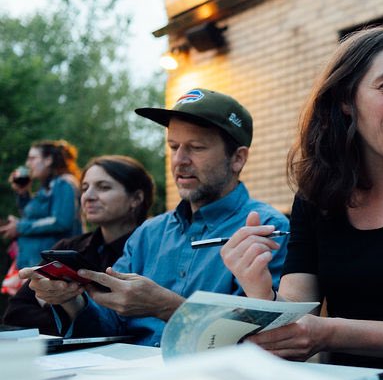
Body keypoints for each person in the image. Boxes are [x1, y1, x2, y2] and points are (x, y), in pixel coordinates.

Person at [222, 24, 383, 376]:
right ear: (346, 100)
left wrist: (328, 333)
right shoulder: (315, 196)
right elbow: (295, 321)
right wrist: (257, 286)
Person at [27, 89, 290, 346]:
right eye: (173, 146)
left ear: (238, 159)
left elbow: (263, 342)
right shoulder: (149, 233)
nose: (179, 160)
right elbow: (109, 323)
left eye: (196, 147)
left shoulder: (269, 229)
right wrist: (69, 300)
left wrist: (167, 306)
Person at [4, 156, 155, 335]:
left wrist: (57, 308)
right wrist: (66, 312)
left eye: (103, 187)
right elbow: (15, 313)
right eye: (85, 188)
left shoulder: (154, 251)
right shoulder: (68, 248)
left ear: (136, 198)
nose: (88, 196)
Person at [1, 140, 83, 270]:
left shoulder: (63, 184)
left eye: (32, 158)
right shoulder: (46, 188)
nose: (28, 163)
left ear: (48, 160)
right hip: (37, 265)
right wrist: (23, 194)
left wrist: (20, 227)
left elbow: (60, 221)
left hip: (53, 269)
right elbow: (33, 218)